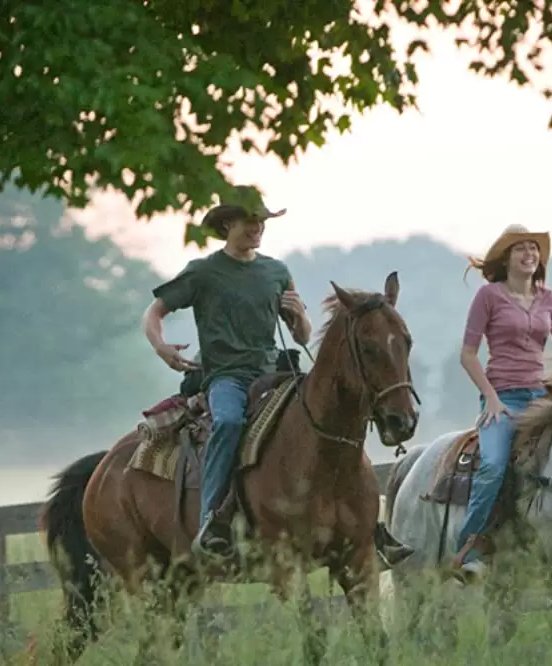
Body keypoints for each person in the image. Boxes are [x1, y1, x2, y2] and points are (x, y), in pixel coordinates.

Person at [141, 197, 413, 567]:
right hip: (226, 376)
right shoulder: (203, 272)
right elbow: (155, 311)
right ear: (227, 226)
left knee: (329, 420)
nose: (257, 229)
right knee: (230, 421)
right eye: (249, 222)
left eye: (262, 222)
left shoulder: (276, 271)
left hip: (274, 371)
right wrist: (160, 346)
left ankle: (367, 523)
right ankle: (213, 521)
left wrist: (299, 315)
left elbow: (301, 334)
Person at [454, 223, 552, 578]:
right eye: (521, 249)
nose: (530, 254)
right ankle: (469, 547)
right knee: (493, 465)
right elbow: (468, 355)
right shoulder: (488, 297)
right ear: (507, 258)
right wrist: (491, 398)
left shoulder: (550, 299)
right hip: (502, 397)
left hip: (541, 397)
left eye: (534, 249)